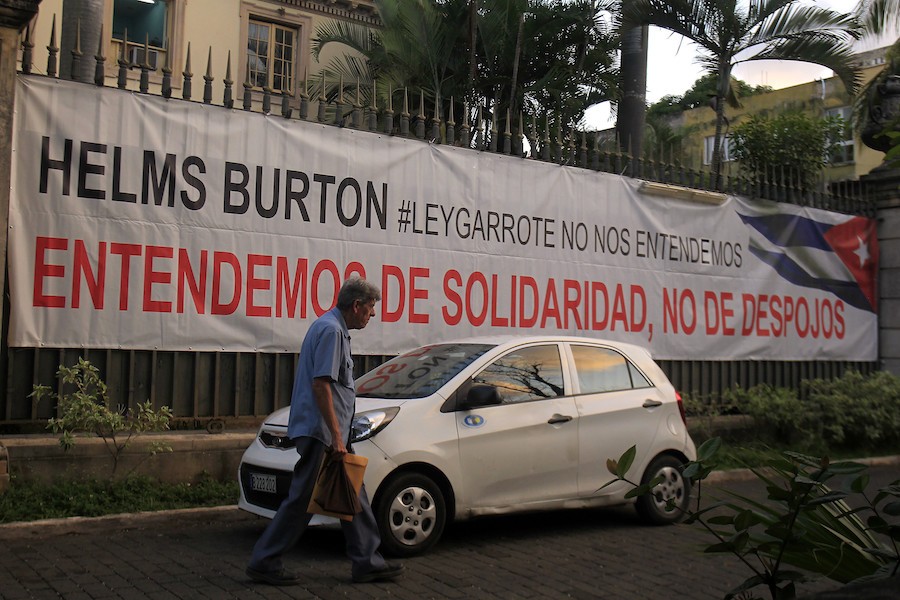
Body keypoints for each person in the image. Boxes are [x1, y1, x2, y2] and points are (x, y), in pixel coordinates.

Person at [246, 277, 404, 585]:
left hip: (330, 433)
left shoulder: (332, 329)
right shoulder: (331, 331)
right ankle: (264, 561)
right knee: (303, 499)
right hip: (323, 434)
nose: (372, 314)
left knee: (352, 495)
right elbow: (321, 386)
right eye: (370, 307)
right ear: (356, 305)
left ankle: (367, 561)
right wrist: (335, 437)